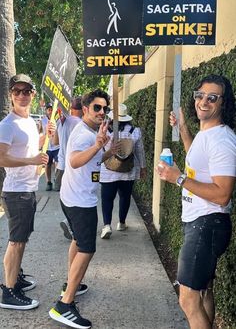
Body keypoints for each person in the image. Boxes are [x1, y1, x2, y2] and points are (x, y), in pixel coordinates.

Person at [157, 74, 236, 329]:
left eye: (212, 98)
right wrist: (182, 128)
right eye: (200, 95)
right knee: (203, 292)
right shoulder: (207, 133)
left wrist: (178, 179)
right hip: (203, 223)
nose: (204, 101)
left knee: (188, 299)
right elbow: (196, 156)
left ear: (223, 103)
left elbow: (223, 193)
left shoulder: (223, 140)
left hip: (207, 224)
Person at [49, 89, 117, 329]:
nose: (101, 112)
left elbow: (92, 158)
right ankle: (64, 306)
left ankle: (71, 284)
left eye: (104, 109)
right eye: (96, 108)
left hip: (72, 196)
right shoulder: (83, 134)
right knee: (87, 249)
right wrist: (98, 143)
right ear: (86, 109)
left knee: (78, 241)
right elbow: (74, 161)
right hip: (80, 201)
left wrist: (107, 149)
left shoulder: (91, 132)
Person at [0, 74, 51, 310]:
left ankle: (15, 278)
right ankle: (9, 292)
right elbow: (1, 158)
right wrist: (31, 160)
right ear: (11, 95)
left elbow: (29, 145)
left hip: (28, 189)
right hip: (16, 192)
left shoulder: (30, 122)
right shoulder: (7, 125)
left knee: (22, 238)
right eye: (16, 91)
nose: (21, 95)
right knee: (16, 242)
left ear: (33, 94)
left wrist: (45, 134)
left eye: (26, 91)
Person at [100, 103, 147, 239]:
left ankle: (107, 225)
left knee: (107, 199)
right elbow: (140, 152)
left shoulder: (105, 131)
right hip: (128, 171)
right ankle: (121, 222)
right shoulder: (135, 131)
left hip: (108, 172)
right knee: (125, 197)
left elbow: (98, 150)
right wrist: (143, 168)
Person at [53, 97, 83, 240]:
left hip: (60, 165)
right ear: (83, 109)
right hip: (74, 166)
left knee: (65, 197)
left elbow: (55, 142)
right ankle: (71, 223)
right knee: (76, 198)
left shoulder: (62, 120)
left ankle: (69, 222)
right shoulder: (80, 124)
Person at [40, 102, 59, 191]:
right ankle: (48, 182)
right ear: (46, 110)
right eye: (49, 109)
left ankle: (57, 179)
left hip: (56, 146)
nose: (50, 111)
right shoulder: (43, 120)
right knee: (48, 164)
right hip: (47, 146)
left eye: (52, 109)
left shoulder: (57, 119)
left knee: (57, 163)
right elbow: (39, 131)